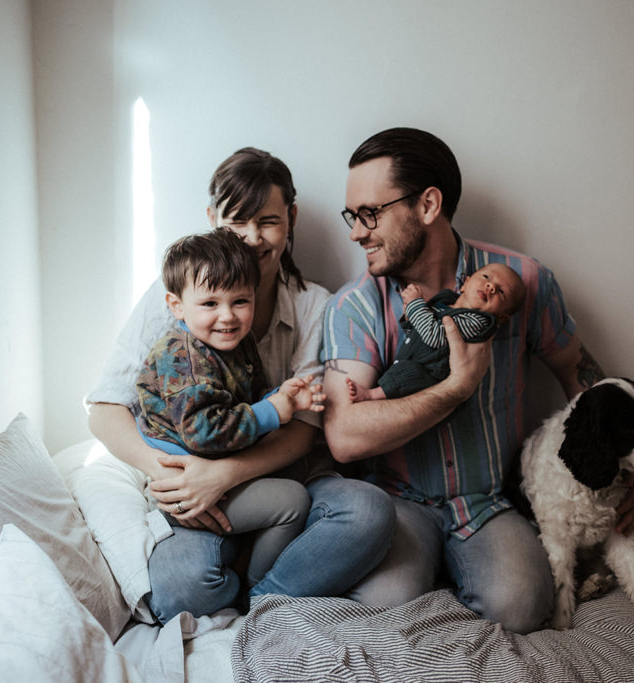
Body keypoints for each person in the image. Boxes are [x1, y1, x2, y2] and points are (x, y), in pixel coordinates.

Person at [321, 127, 634, 634]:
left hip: (488, 502)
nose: (356, 232)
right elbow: (344, 437)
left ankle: (468, 569)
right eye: (352, 216)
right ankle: (427, 569)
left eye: (370, 214)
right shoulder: (354, 306)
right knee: (385, 605)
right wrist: (454, 389)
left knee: (521, 603)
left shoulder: (521, 283)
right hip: (400, 501)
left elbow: (581, 377)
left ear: (428, 204)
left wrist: (621, 470)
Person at [86, 147, 395, 625]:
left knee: (370, 513)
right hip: (192, 479)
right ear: (213, 219)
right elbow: (104, 406)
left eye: (268, 221)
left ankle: (262, 602)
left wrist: (225, 476)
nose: (253, 238)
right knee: (177, 593)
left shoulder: (315, 305)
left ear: (290, 218)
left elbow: (305, 431)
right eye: (237, 223)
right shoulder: (179, 295)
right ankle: (253, 575)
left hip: (285, 479)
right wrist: (168, 473)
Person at [135, 229, 325, 588]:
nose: (228, 316)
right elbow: (204, 431)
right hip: (183, 483)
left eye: (240, 301)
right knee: (293, 502)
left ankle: (247, 557)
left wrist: (280, 395)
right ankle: (258, 588)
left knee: (297, 469)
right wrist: (273, 411)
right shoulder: (184, 358)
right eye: (210, 304)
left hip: (213, 464)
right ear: (177, 306)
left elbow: (240, 397)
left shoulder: (232, 342)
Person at [347, 262, 526, 403]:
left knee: (407, 375)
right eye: (486, 277)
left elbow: (435, 337)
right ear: (466, 283)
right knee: (399, 374)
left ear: (502, 318)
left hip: (430, 374)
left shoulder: (478, 321)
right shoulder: (444, 301)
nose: (490, 286)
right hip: (410, 359)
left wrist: (417, 304)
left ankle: (372, 396)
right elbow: (418, 332)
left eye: (501, 291)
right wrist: (411, 315)